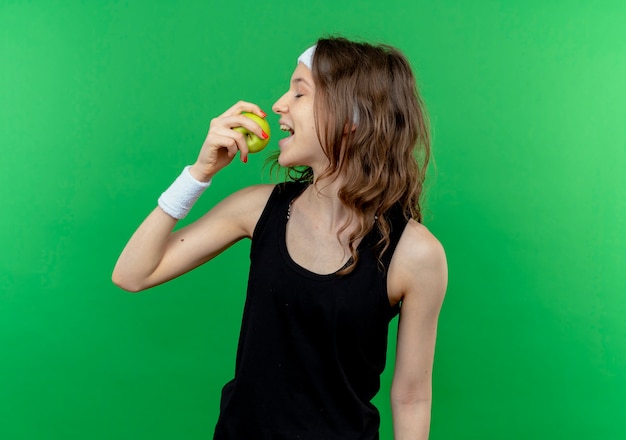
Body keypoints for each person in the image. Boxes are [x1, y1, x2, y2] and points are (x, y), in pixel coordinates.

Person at [112, 36, 447, 440]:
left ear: (352, 117)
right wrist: (198, 174)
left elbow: (412, 398)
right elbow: (131, 274)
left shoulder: (415, 254)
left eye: (299, 92)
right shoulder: (257, 210)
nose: (278, 105)